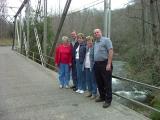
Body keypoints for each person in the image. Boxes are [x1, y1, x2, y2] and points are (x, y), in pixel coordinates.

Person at [93, 28, 113, 108]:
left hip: (105, 63)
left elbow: (111, 51)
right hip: (97, 64)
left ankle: (108, 100)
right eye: (94, 33)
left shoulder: (106, 40)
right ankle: (102, 96)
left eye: (97, 32)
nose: (96, 34)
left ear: (101, 32)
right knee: (99, 82)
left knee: (107, 83)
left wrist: (109, 64)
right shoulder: (95, 42)